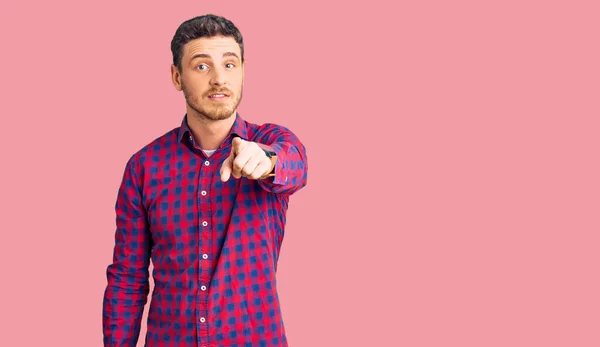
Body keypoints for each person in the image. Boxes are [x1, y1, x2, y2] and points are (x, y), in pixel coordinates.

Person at [102, 14, 308, 347]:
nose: (218, 80)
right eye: (201, 66)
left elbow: (294, 166)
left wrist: (265, 161)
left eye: (230, 65)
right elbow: (128, 280)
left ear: (243, 71)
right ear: (176, 76)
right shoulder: (144, 167)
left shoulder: (271, 139)